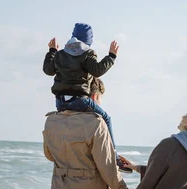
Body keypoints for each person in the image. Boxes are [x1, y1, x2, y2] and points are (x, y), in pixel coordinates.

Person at [43, 22, 131, 173]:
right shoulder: (87, 53)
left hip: (60, 102)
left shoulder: (60, 54)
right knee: (106, 118)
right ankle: (114, 157)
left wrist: (52, 51)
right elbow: (97, 71)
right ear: (88, 39)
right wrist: (111, 56)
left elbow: (47, 70)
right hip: (79, 101)